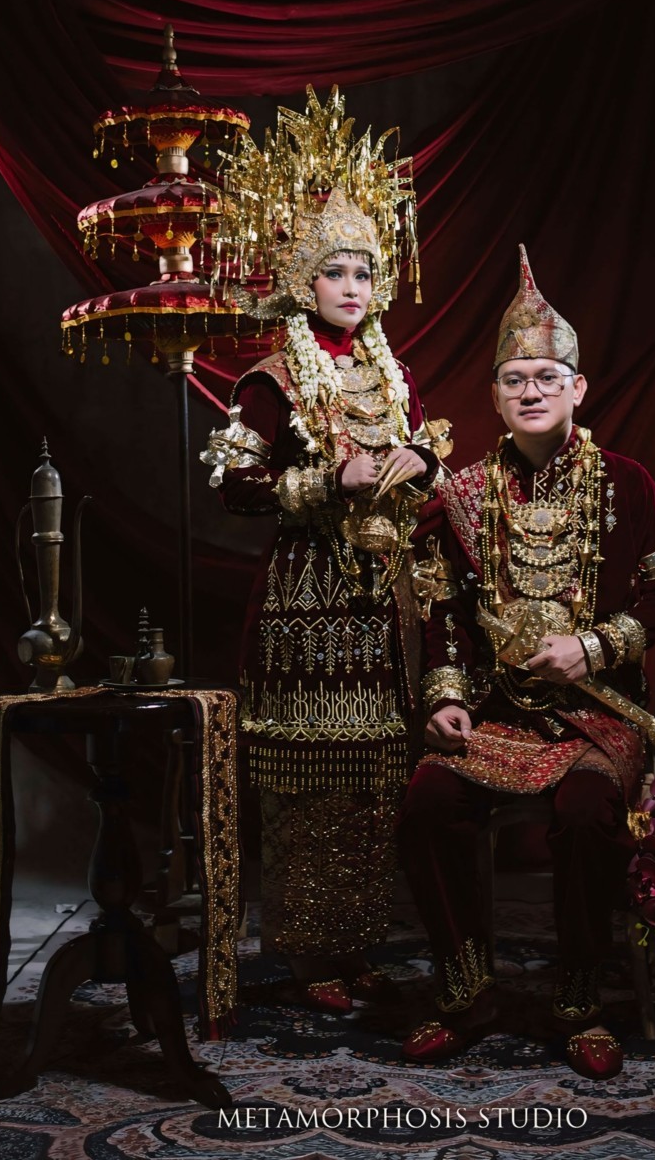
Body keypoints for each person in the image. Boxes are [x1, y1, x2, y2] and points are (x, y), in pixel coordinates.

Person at [396, 246, 655, 1078]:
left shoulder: (628, 484)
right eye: (514, 380)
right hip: (499, 715)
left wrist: (592, 646)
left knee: (587, 811)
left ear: (577, 387)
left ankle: (579, 999)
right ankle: (465, 991)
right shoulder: (464, 495)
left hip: (599, 717)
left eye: (545, 376)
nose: (530, 390)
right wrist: (447, 696)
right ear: (495, 395)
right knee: (428, 799)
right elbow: (444, 610)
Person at [202, 181, 445, 1012]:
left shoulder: (393, 372)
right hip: (307, 606)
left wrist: (422, 462)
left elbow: (425, 453)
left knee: (376, 778)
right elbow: (234, 483)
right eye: (335, 272)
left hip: (385, 598)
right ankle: (308, 954)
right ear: (303, 283)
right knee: (310, 779)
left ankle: (357, 943)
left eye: (364, 273)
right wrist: (324, 481)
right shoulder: (269, 380)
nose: (352, 287)